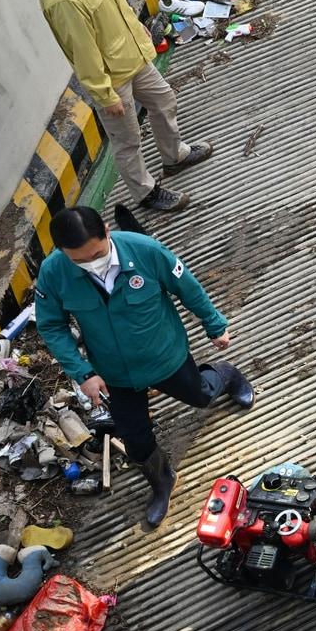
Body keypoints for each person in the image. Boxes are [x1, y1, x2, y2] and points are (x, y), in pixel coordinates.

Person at [35, 207, 253, 529]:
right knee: (136, 439)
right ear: (62, 252)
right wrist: (83, 373)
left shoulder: (145, 251)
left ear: (107, 231)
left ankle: (226, 374)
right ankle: (163, 480)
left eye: (95, 254)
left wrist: (214, 323)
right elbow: (51, 325)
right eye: (78, 260)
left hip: (164, 355)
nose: (90, 263)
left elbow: (187, 287)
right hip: (115, 373)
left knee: (202, 396)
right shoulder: (54, 272)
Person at [32, 0, 213, 212]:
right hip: (112, 79)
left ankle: (174, 156)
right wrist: (105, 95)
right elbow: (83, 51)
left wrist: (135, 25)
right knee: (127, 141)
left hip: (132, 53)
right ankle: (145, 193)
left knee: (164, 100)